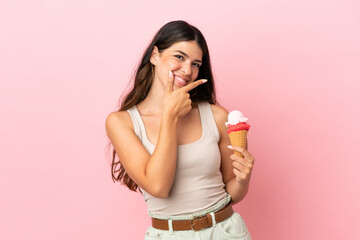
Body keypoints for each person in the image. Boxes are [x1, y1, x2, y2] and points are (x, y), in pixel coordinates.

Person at [105, 20, 255, 240]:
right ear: (155, 55)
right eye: (179, 56)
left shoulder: (216, 116)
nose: (187, 70)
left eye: (196, 64)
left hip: (225, 231)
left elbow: (231, 194)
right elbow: (158, 186)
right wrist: (170, 116)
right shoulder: (121, 123)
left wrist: (243, 180)